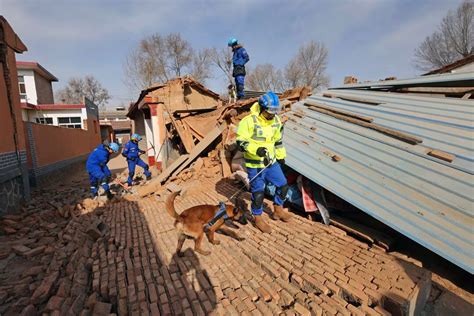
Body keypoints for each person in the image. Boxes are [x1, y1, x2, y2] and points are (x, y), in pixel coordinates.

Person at [236, 91, 292, 233]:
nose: (272, 115)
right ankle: (258, 217)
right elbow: (241, 142)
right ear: (261, 108)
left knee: (283, 185)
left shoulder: (276, 121)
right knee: (258, 193)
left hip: (271, 162)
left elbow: (278, 141)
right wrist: (257, 150)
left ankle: (278, 210)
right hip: (255, 164)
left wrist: (281, 155)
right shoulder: (248, 121)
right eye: (269, 112)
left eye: (274, 112)